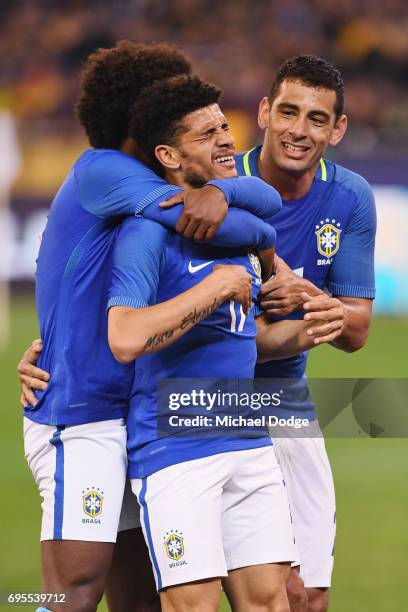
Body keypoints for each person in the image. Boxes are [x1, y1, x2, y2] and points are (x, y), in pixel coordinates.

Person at [19, 41, 292, 612]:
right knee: (71, 592)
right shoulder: (105, 170)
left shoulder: (150, 181)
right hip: (80, 408)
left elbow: (250, 198)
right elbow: (212, 220)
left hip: (139, 410)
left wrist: (222, 191)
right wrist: (262, 241)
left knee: (141, 599)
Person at [107, 72, 331, 612]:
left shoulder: (237, 229)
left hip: (248, 440)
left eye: (224, 128)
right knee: (195, 606)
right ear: (168, 154)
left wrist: (308, 330)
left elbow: (245, 338)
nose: (227, 140)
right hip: (177, 449)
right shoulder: (148, 231)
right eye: (206, 135)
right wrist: (211, 290)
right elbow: (126, 336)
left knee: (272, 603)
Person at [235, 55, 376, 612]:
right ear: (265, 112)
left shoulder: (349, 197)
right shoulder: (219, 183)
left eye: (317, 119)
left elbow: (357, 328)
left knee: (307, 594)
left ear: (337, 129)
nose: (299, 130)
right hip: (200, 399)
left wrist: (311, 300)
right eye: (288, 112)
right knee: (186, 593)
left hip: (283, 400)